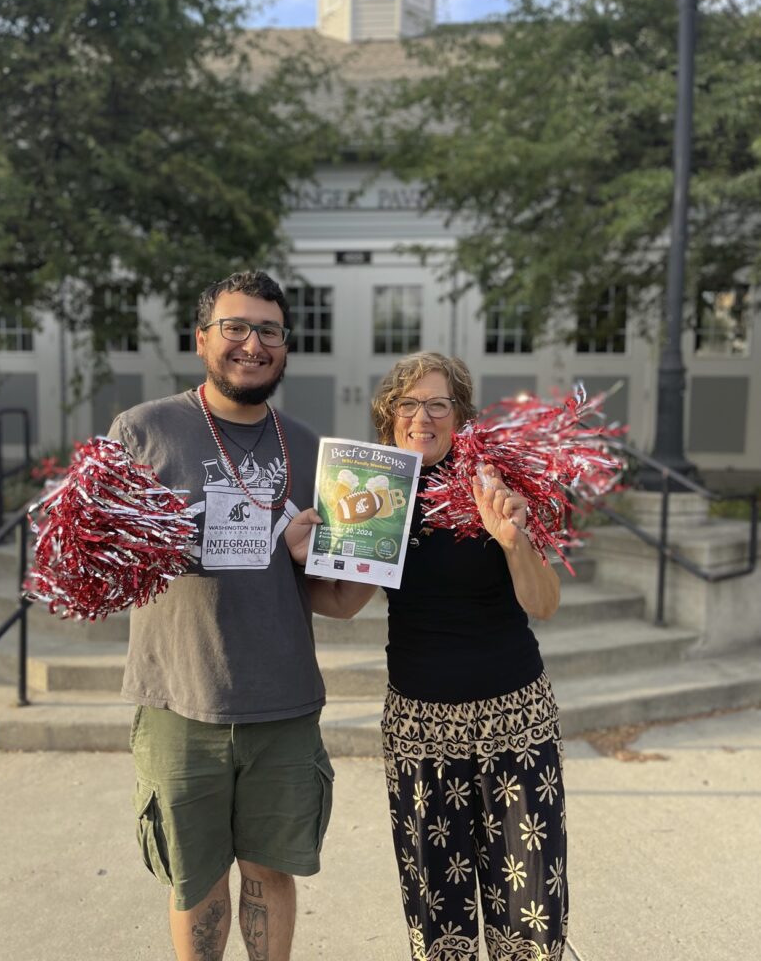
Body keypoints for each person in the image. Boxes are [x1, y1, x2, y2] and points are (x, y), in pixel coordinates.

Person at [108, 270, 367, 961]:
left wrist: (381, 554)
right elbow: (100, 567)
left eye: (270, 331)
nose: (253, 344)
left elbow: (337, 601)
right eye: (236, 327)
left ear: (285, 346)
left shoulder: (314, 452)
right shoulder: (142, 433)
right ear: (202, 339)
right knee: (194, 879)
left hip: (281, 701)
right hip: (178, 698)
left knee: (269, 871)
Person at [289, 350, 567, 961]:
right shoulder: (375, 496)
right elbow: (339, 603)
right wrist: (301, 556)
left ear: (459, 415)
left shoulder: (491, 487)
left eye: (438, 403)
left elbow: (544, 603)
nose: (423, 417)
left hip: (515, 718)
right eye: (408, 404)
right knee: (438, 909)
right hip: (420, 725)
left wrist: (513, 541)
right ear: (389, 419)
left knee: (531, 913)